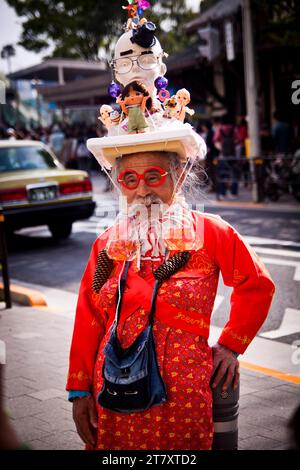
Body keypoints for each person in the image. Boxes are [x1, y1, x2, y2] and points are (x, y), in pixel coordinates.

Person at [66, 3, 275, 451]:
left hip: (184, 396)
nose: (141, 190)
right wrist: (79, 391)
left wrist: (231, 346)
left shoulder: (211, 232)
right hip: (113, 393)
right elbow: (88, 314)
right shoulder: (107, 242)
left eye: (154, 176)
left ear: (179, 175)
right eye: (129, 179)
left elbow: (257, 286)